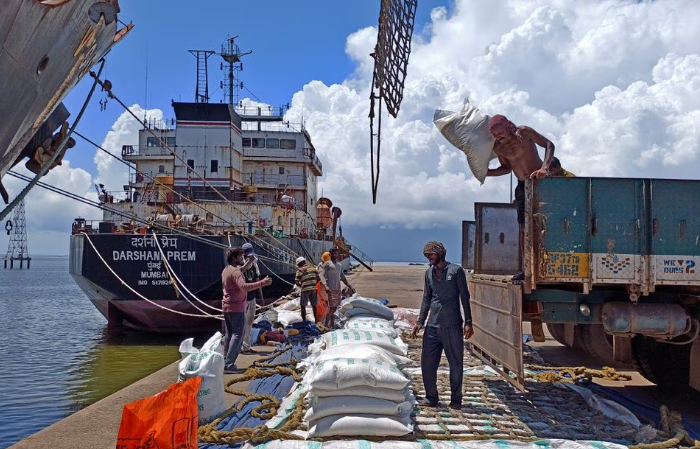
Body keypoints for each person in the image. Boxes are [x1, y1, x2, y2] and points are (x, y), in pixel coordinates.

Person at [486, 114, 556, 280]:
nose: (499, 137)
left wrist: (545, 168)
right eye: (495, 135)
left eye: (501, 133)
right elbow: (506, 168)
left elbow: (549, 145)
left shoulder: (524, 132)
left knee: (547, 224)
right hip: (522, 185)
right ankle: (526, 269)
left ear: (508, 126)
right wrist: (487, 173)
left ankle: (551, 264)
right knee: (524, 228)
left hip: (541, 182)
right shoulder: (498, 148)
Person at [409, 241, 473, 410]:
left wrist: (468, 322)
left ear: (440, 254)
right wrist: (420, 322)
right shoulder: (428, 273)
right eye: (426, 256)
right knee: (428, 363)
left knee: (456, 363)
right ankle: (431, 397)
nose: (428, 258)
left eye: (430, 255)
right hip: (432, 326)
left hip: (452, 325)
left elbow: (465, 297)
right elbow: (426, 298)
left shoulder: (456, 271)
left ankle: (456, 400)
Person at [221, 247, 272, 373]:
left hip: (227, 306)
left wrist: (249, 263)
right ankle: (229, 364)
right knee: (238, 335)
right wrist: (262, 283)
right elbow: (243, 286)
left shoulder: (227, 270)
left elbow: (239, 271)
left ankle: (224, 362)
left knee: (229, 335)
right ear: (234, 258)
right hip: (236, 307)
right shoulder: (236, 273)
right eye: (240, 256)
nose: (242, 258)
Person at [319, 248, 355, 328]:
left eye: (336, 253)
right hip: (330, 289)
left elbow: (343, 277)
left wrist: (350, 286)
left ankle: (332, 325)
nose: (335, 255)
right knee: (331, 308)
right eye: (333, 254)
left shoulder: (339, 265)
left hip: (337, 289)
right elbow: (322, 276)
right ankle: (325, 325)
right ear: (330, 254)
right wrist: (325, 286)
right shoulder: (327, 264)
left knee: (335, 309)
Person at [240, 242, 263, 354]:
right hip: (242, 299)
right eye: (248, 255)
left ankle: (246, 347)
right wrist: (247, 263)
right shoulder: (239, 264)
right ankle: (239, 347)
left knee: (249, 323)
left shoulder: (254, 264)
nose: (250, 257)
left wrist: (261, 297)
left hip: (252, 297)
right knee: (241, 323)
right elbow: (238, 273)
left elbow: (257, 281)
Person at [295, 256, 320, 323]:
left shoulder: (299, 271)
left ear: (299, 264)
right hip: (314, 289)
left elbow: (297, 283)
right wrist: (314, 284)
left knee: (303, 306)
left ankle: (304, 321)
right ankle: (316, 321)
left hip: (305, 289)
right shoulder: (313, 268)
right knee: (314, 306)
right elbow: (319, 278)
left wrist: (302, 286)